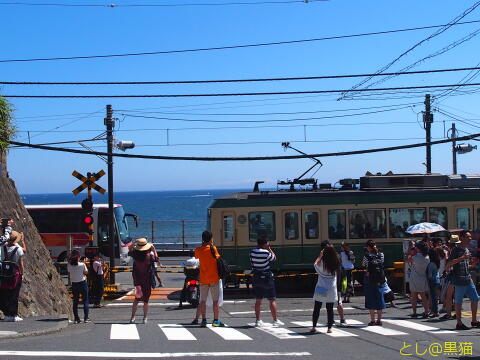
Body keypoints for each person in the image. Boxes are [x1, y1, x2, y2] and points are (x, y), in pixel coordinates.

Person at [446, 230, 480, 330]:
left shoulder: (466, 249)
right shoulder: (456, 250)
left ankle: (474, 320)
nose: (470, 238)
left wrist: (471, 265)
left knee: (475, 298)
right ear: (461, 238)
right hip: (459, 279)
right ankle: (459, 323)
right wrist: (462, 258)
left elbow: (465, 265)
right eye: (467, 237)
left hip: (468, 278)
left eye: (470, 237)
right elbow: (449, 264)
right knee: (458, 301)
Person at [250, 233, 283, 327]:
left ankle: (258, 320)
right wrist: (269, 248)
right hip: (267, 277)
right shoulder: (266, 253)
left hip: (256, 277)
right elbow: (274, 258)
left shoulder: (252, 252)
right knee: (272, 299)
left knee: (258, 300)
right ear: (265, 244)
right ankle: (275, 320)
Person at [194, 230, 224, 327]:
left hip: (203, 278)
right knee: (215, 301)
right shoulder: (213, 249)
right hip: (214, 278)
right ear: (211, 239)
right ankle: (216, 321)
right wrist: (211, 244)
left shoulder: (198, 250)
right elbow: (217, 258)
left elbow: (197, 257)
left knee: (203, 300)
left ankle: (203, 320)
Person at [311, 243, 340, 333]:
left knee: (317, 307)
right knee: (330, 309)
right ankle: (329, 328)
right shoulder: (336, 262)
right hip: (331, 288)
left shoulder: (322, 262)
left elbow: (315, 264)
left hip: (321, 287)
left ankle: (314, 327)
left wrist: (320, 256)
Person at [128, 237, 158, 324]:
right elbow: (156, 258)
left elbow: (129, 249)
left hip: (138, 281)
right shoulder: (149, 256)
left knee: (136, 299)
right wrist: (154, 249)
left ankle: (132, 317)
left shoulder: (135, 255)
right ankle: (145, 318)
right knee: (146, 301)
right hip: (147, 280)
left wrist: (134, 243)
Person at [0, 231, 25, 322]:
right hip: (15, 274)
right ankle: (13, 315)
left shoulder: (3, 248)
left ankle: (6, 314)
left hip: (4, 273)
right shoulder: (18, 249)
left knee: (4, 292)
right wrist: (22, 273)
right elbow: (20, 263)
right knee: (14, 293)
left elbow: (2, 259)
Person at [362, 240, 386, 326]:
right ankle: (379, 320)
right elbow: (382, 264)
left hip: (369, 279)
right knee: (379, 298)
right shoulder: (381, 255)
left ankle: (372, 320)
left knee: (370, 298)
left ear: (368, 247)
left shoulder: (366, 256)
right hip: (379, 279)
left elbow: (364, 265)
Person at [404, 241, 430, 318]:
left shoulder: (414, 257)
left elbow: (406, 260)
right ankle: (426, 311)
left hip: (414, 277)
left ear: (418, 248)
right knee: (423, 296)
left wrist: (408, 251)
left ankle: (414, 312)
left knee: (414, 296)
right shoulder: (427, 257)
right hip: (423, 277)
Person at [67, 249, 90, 324]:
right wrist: (83, 264)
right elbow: (86, 272)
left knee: (75, 301)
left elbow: (69, 271)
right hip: (82, 283)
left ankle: (77, 318)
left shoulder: (69, 265)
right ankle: (86, 318)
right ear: (78, 257)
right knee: (85, 300)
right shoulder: (82, 264)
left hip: (74, 284)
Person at [426, 248, 441, 318]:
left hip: (432, 281)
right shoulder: (437, 262)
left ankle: (435, 312)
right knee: (435, 297)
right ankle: (434, 311)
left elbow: (429, 275)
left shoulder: (431, 264)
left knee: (433, 297)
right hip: (437, 280)